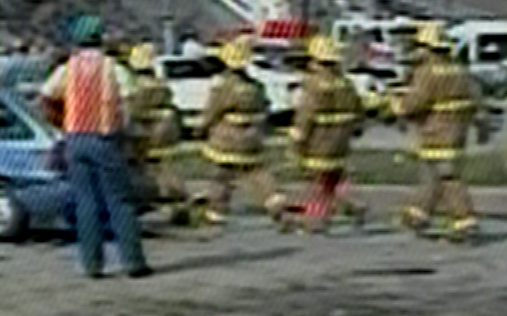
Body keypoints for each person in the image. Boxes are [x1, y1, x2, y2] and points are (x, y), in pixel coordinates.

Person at [39, 14, 151, 280]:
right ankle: (133, 262)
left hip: (75, 138)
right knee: (119, 201)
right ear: (101, 38)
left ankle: (92, 264)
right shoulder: (113, 67)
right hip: (104, 138)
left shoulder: (67, 68)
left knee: (85, 202)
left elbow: (46, 96)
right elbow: (131, 100)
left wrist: (61, 121)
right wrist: (125, 127)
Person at [396, 22, 480, 243]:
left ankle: (465, 220)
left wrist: (398, 106)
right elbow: (475, 101)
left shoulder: (427, 73)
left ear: (428, 48)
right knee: (433, 175)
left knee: (446, 177)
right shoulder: (460, 70)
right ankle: (418, 214)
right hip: (457, 132)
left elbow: (416, 103)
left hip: (436, 132)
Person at [195, 35, 287, 229]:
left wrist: (201, 128)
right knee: (256, 170)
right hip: (252, 135)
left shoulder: (223, 87)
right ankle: (274, 198)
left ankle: (216, 210)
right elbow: (266, 107)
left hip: (227, 136)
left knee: (222, 174)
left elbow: (213, 111)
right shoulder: (255, 86)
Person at [283, 35, 368, 234]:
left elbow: (306, 115)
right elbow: (358, 110)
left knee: (316, 183)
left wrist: (296, 141)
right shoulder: (345, 83)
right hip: (341, 140)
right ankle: (355, 204)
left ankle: (315, 220)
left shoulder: (314, 85)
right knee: (334, 178)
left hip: (319, 139)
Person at [125, 44, 189, 224]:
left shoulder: (136, 86)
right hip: (167, 129)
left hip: (146, 131)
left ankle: (152, 199)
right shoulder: (160, 83)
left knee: (146, 168)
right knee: (167, 168)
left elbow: (132, 111)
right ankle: (179, 202)